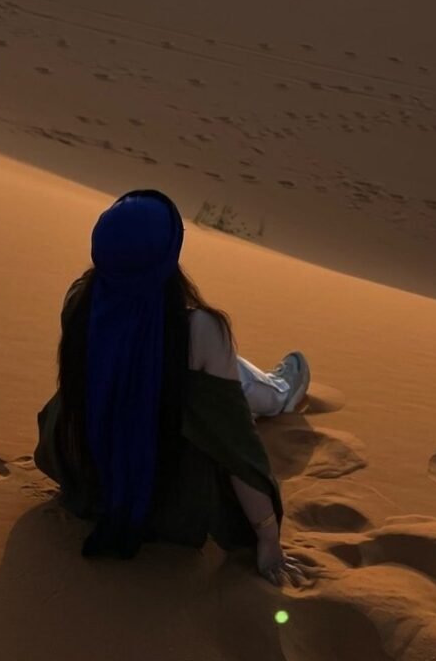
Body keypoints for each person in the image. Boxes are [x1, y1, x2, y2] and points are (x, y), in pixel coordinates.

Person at [34, 189, 310, 585]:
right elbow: (236, 446)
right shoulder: (200, 330)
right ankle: (283, 391)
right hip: (167, 504)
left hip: (84, 476)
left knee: (201, 375)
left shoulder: (79, 300)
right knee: (235, 384)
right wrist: (267, 535)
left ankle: (267, 385)